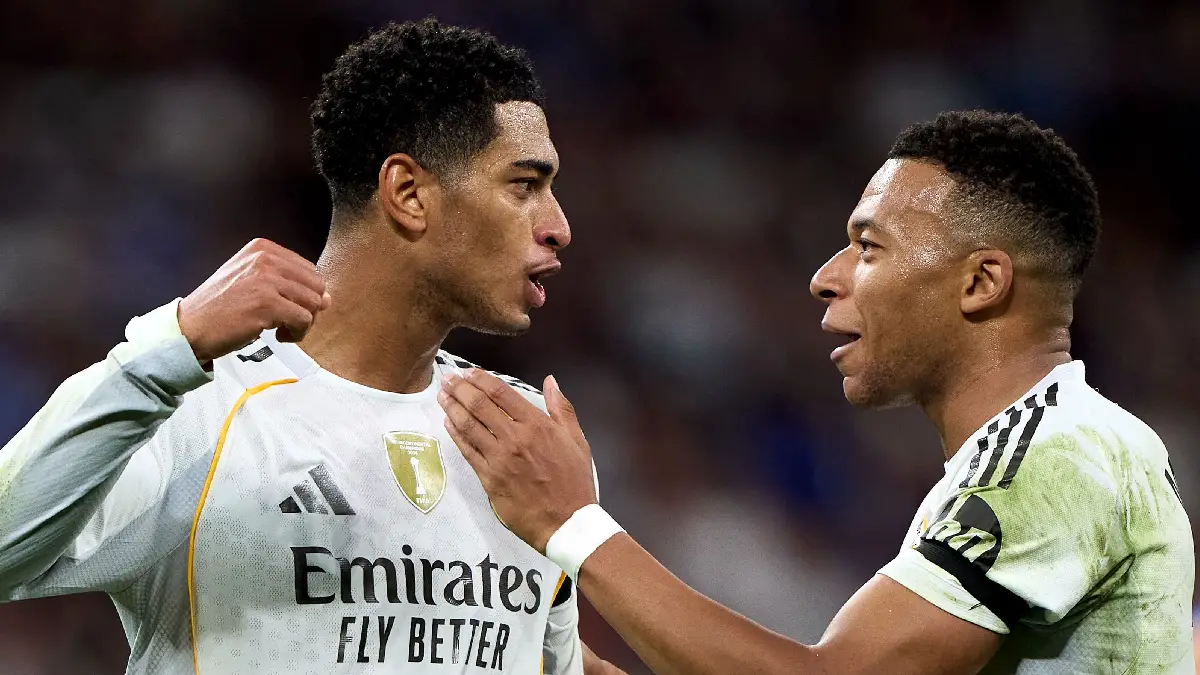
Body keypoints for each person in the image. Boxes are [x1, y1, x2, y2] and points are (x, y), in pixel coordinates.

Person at [439, 110, 1195, 674]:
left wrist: (572, 524)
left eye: (869, 246)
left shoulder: (1053, 458)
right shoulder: (1060, 449)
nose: (826, 276)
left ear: (980, 281)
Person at [0, 18, 619, 675]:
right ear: (408, 193)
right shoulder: (201, 409)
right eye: (524, 184)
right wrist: (167, 350)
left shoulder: (527, 441)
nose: (559, 227)